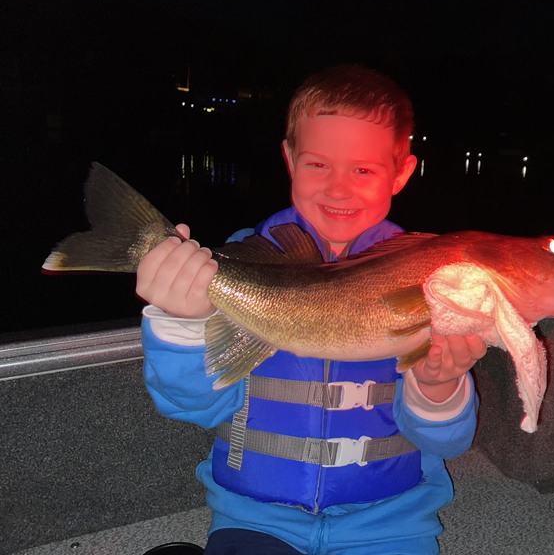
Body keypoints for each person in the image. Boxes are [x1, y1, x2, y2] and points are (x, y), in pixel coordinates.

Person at [136, 64, 487, 555]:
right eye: (318, 164)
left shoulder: (431, 283)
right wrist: (181, 322)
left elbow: (449, 443)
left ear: (401, 173)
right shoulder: (244, 263)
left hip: (390, 526)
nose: (338, 189)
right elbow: (191, 405)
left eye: (363, 170)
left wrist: (438, 386)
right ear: (289, 158)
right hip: (256, 522)